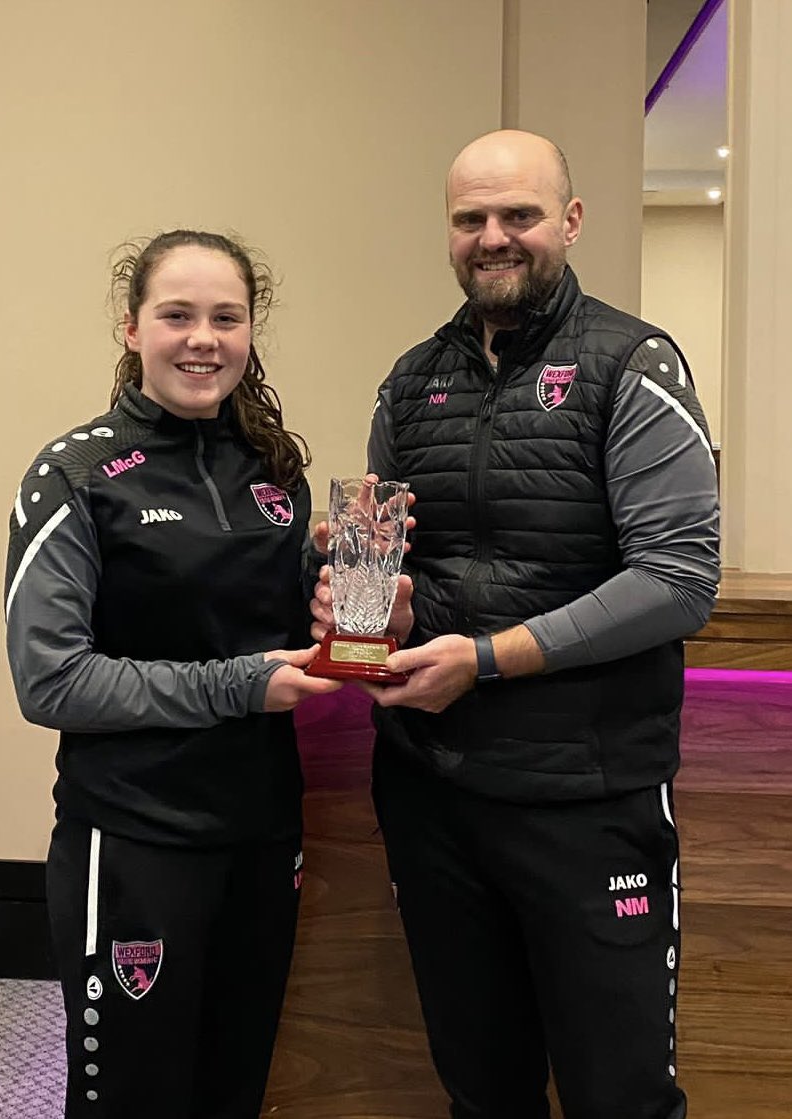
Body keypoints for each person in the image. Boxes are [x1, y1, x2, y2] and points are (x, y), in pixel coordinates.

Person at [311, 130, 720, 1119]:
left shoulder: (635, 364)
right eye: (470, 219)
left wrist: (488, 660)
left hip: (587, 801)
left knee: (618, 1095)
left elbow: (677, 582)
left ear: (569, 223)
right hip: (433, 799)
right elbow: (385, 600)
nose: (494, 237)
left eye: (519, 215)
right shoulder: (409, 382)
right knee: (481, 1090)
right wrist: (379, 615)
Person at [4, 229, 340, 1118]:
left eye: (226, 317)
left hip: (264, 835)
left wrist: (359, 607)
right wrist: (234, 684)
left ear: (251, 330)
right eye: (177, 315)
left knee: (233, 1091)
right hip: (134, 839)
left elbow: (293, 625)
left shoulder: (276, 470)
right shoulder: (73, 474)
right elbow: (51, 681)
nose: (204, 338)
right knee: (133, 1100)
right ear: (131, 328)